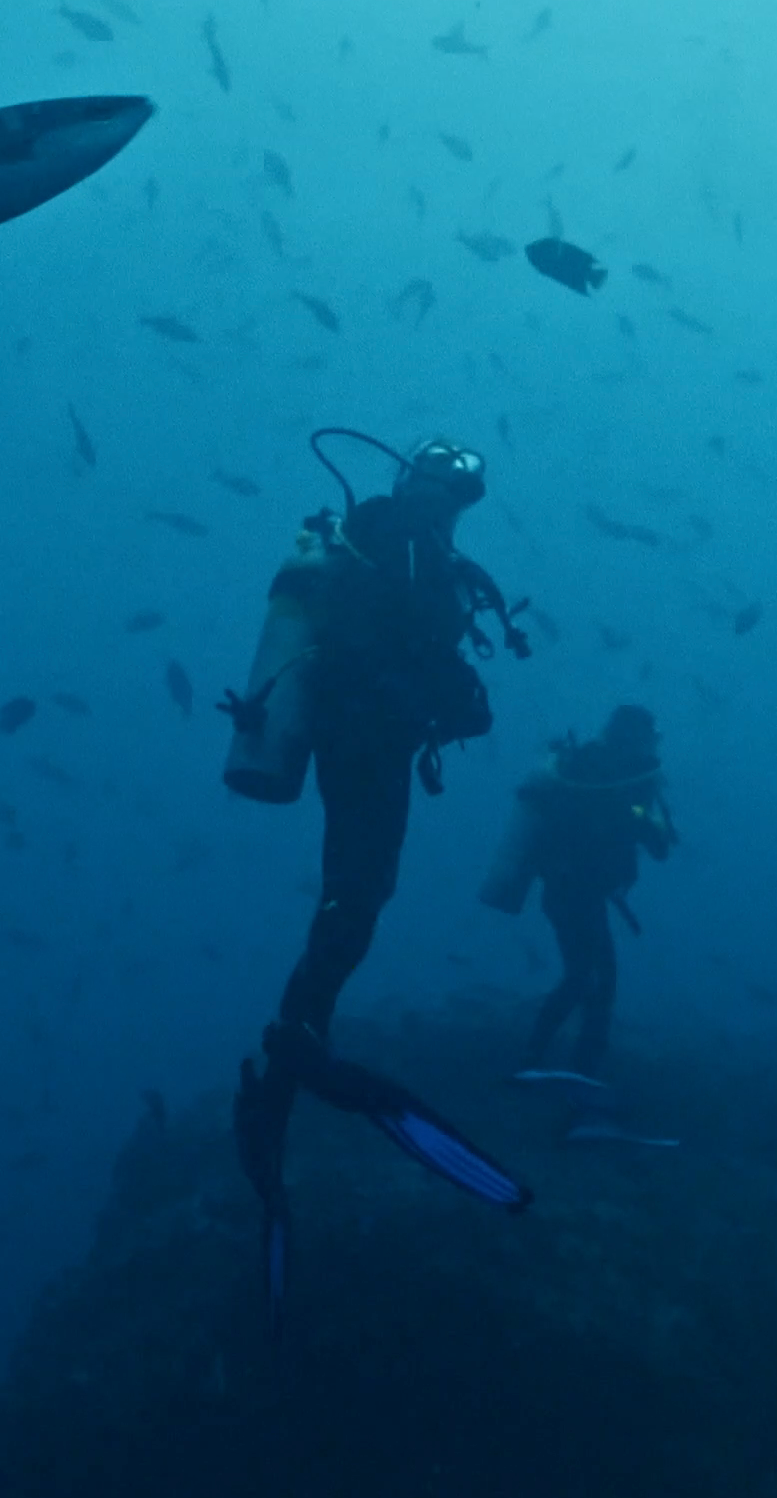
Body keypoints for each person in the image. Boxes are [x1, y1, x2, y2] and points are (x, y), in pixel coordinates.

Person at [218, 431, 538, 1307]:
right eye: (449, 485)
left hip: (369, 735)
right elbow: (370, 641)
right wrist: (438, 696)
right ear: (420, 481)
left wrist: (448, 697)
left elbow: (411, 648)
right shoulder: (392, 536)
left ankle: (299, 1034)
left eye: (461, 495)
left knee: (356, 891)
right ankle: (300, 1033)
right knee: (357, 890)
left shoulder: (412, 546)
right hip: (364, 734)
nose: (452, 502)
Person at [488, 706, 677, 1081]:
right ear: (633, 737)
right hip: (571, 890)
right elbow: (650, 842)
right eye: (647, 738)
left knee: (593, 977)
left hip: (577, 892)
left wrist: (643, 816)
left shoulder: (607, 773)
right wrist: (642, 817)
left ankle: (562, 1063)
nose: (651, 746)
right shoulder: (602, 777)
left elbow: (653, 844)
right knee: (588, 977)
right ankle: (552, 1062)